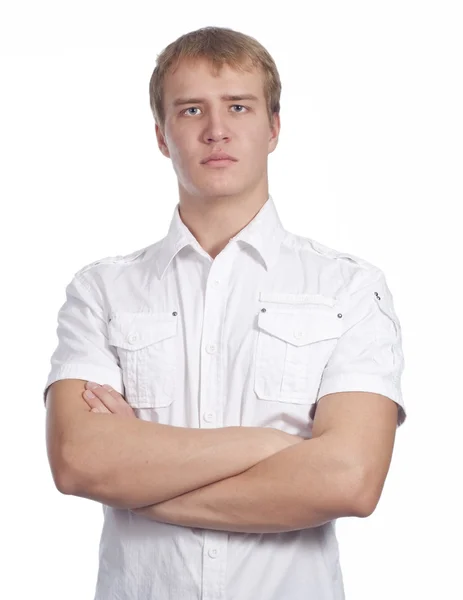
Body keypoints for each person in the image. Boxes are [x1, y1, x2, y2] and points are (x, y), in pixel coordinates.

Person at [43, 25, 407, 600]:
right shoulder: (101, 292)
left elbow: (351, 480)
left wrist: (139, 477)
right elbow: (78, 462)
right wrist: (273, 448)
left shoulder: (349, 289)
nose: (216, 130)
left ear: (274, 127)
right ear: (162, 136)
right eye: (191, 111)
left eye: (238, 106)